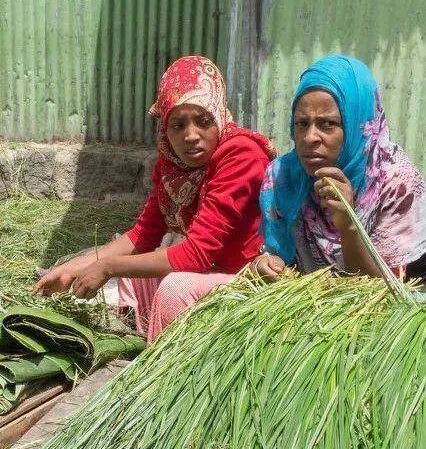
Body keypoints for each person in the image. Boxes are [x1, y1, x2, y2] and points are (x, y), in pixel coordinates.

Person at [33, 56, 277, 341]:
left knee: (174, 287)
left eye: (203, 121)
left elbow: (196, 255)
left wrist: (107, 267)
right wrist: (70, 271)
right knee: (136, 277)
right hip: (211, 272)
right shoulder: (172, 166)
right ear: (165, 128)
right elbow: (142, 236)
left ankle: (163, 366)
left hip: (249, 278)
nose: (191, 136)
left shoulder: (240, 154)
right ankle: (148, 337)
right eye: (178, 125)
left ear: (219, 114)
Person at [252, 54, 425, 281]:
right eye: (302, 123)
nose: (310, 137)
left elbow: (386, 293)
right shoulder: (283, 177)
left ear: (358, 125)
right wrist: (264, 265)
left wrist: (349, 227)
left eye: (327, 124)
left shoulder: (395, 183)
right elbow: (277, 258)